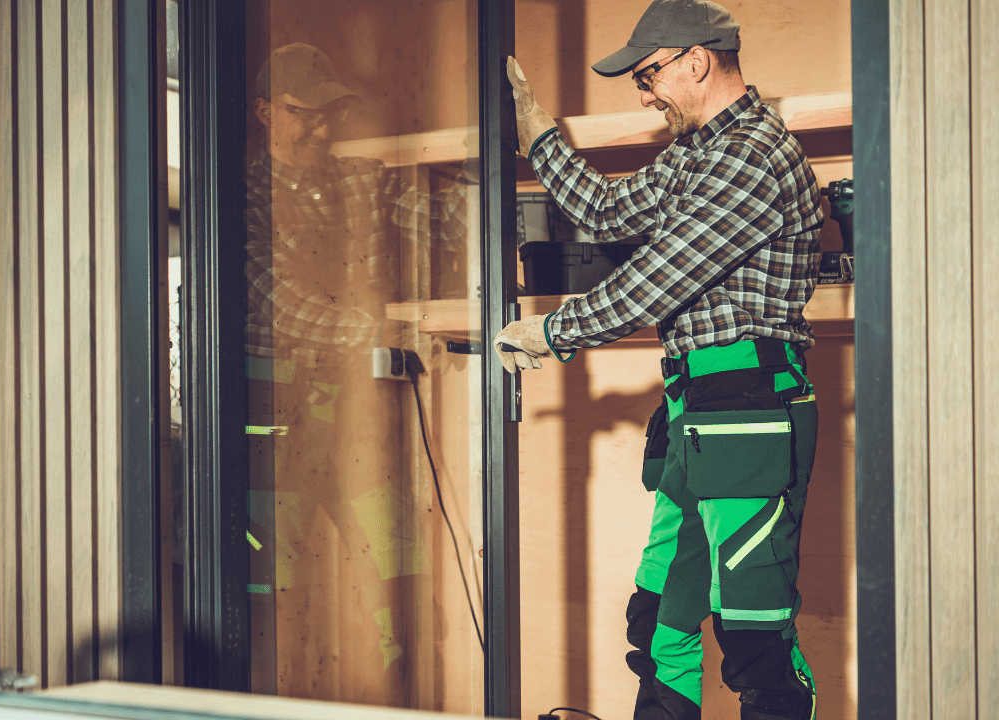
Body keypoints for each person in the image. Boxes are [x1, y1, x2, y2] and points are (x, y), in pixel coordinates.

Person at [494, 2, 825, 719]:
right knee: (660, 624)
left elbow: (659, 279)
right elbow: (611, 214)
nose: (645, 94)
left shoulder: (753, 157)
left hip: (750, 414)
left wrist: (554, 330)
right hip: (696, 415)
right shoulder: (699, 151)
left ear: (696, 61)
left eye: (649, 75)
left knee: (754, 638)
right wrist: (539, 137)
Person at [244, 42, 469, 697]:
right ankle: (268, 700)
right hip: (276, 428)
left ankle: (401, 693)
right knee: (275, 587)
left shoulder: (361, 180)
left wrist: (495, 191)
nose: (320, 126)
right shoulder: (243, 196)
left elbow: (449, 221)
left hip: (364, 420)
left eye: (329, 113)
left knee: (398, 572)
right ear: (264, 112)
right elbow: (273, 302)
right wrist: (374, 329)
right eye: (301, 112)